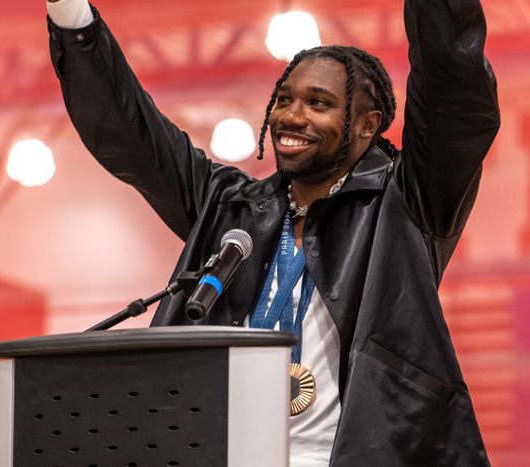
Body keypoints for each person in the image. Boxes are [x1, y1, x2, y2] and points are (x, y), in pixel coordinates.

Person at [46, 0, 500, 464]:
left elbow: (455, 93)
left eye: (318, 104)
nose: (291, 117)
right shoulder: (230, 205)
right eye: (284, 99)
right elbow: (132, 136)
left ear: (368, 125)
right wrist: (70, 14)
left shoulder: (406, 202)